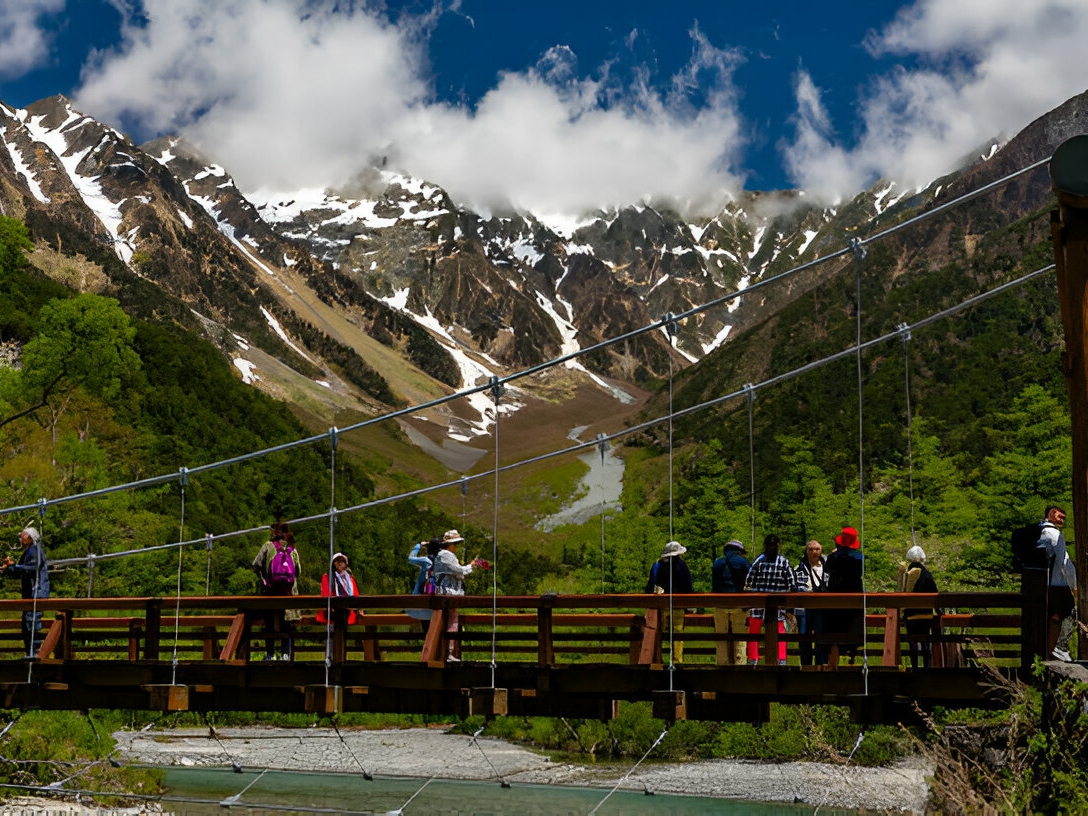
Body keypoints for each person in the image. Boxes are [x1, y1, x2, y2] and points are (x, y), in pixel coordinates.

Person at [431, 529, 489, 662]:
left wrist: (467, 568)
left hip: (445, 592)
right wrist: (471, 566)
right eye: (455, 544)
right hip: (449, 593)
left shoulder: (442, 554)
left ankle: (445, 652)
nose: (456, 547)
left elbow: (456, 572)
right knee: (452, 622)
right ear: (451, 544)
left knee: (447, 621)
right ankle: (448, 652)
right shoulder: (446, 555)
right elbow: (458, 571)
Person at [252, 521, 301, 661]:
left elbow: (255, 564)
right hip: (288, 594)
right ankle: (286, 655)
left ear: (275, 532)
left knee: (269, 623)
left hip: (270, 592)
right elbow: (298, 570)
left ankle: (270, 654)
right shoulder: (292, 549)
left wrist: (263, 577)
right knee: (286, 624)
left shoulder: (268, 546)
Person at [743, 534, 793, 665]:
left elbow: (748, 582)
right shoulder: (782, 562)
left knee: (761, 632)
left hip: (767, 603)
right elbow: (792, 584)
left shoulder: (759, 561)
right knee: (777, 632)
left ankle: (757, 660)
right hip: (772, 603)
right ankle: (776, 660)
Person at [2, 527, 50, 657]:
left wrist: (14, 566)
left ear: (30, 537)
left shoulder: (35, 551)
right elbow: (22, 571)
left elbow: (31, 569)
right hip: (31, 594)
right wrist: (10, 567)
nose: (20, 538)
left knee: (32, 622)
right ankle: (31, 652)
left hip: (36, 593)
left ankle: (35, 653)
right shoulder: (29, 552)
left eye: (22, 536)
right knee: (27, 624)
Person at [1039, 506, 1078, 662]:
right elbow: (1064, 563)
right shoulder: (1055, 535)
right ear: (1051, 514)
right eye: (1060, 516)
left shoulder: (1037, 533)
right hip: (1057, 584)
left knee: (1050, 618)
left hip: (1038, 585)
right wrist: (1073, 584)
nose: (1063, 519)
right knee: (1069, 612)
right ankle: (1060, 647)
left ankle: (1044, 652)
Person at [646, 540, 694, 662]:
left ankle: (657, 660)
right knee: (677, 634)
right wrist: (690, 606)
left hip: (659, 606)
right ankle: (677, 661)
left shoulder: (657, 565)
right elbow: (687, 586)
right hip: (677, 606)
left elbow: (650, 585)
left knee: (658, 633)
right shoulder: (681, 566)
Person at [824, 526, 865, 667]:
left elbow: (827, 569)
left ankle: (833, 664)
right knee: (854, 629)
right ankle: (852, 659)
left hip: (835, 599)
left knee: (834, 631)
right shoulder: (859, 558)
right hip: (854, 599)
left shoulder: (832, 558)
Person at [897, 545, 940, 668]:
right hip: (926, 614)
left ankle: (914, 666)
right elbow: (935, 593)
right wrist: (938, 612)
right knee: (925, 639)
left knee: (912, 639)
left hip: (910, 614)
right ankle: (926, 666)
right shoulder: (926, 574)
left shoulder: (906, 574)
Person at [711, 539, 750, 665]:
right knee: (740, 640)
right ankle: (740, 671)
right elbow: (749, 583)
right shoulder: (743, 562)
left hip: (720, 605)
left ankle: (722, 668)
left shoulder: (717, 563)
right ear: (739, 551)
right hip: (739, 605)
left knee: (721, 641)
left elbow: (714, 585)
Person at [793, 539, 828, 667]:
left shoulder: (827, 567)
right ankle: (806, 667)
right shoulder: (799, 569)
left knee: (821, 639)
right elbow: (796, 587)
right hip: (804, 608)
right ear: (806, 551)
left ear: (821, 551)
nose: (814, 552)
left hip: (822, 608)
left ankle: (821, 666)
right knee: (804, 639)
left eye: (817, 549)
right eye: (811, 549)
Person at [317, 552, 360, 626]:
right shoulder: (327, 576)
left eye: (342, 561)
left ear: (346, 564)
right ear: (334, 563)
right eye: (337, 561)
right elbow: (326, 593)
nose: (340, 563)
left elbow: (355, 594)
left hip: (348, 610)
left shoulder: (350, 578)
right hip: (332, 610)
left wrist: (358, 609)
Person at [407, 538, 441, 633]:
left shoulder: (426, 560)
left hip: (421, 597)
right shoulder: (442, 561)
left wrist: (418, 545)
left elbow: (410, 558)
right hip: (436, 598)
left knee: (426, 628)